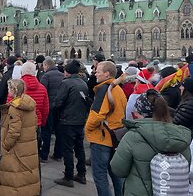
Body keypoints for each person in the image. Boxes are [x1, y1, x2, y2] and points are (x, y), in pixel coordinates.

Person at [111, 93, 191, 195]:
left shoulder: (133, 136)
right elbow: (186, 166)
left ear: (141, 113)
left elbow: (118, 169)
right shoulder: (180, 137)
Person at [86, 61, 127, 196]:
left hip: (102, 138)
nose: (95, 73)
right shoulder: (118, 89)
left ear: (107, 73)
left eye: (98, 71)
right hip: (115, 137)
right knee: (115, 174)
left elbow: (97, 115)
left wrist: (87, 129)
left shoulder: (104, 89)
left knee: (100, 176)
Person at [0, 79, 40, 196]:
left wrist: (5, 146)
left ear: (14, 90)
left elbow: (14, 132)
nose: (7, 91)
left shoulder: (14, 108)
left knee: (15, 176)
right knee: (26, 173)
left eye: (9, 88)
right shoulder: (28, 104)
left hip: (16, 148)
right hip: (28, 145)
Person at [52, 60, 89, 187]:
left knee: (67, 149)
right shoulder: (83, 82)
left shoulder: (66, 83)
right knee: (79, 148)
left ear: (67, 72)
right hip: (80, 120)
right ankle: (81, 174)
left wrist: (56, 108)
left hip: (68, 120)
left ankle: (68, 176)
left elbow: (59, 102)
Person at [40, 57, 65, 162]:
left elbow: (42, 92)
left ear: (47, 65)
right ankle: (58, 154)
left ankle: (44, 155)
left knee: (46, 131)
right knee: (59, 131)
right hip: (59, 107)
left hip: (49, 107)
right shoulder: (62, 75)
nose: (43, 68)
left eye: (44, 66)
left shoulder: (46, 76)